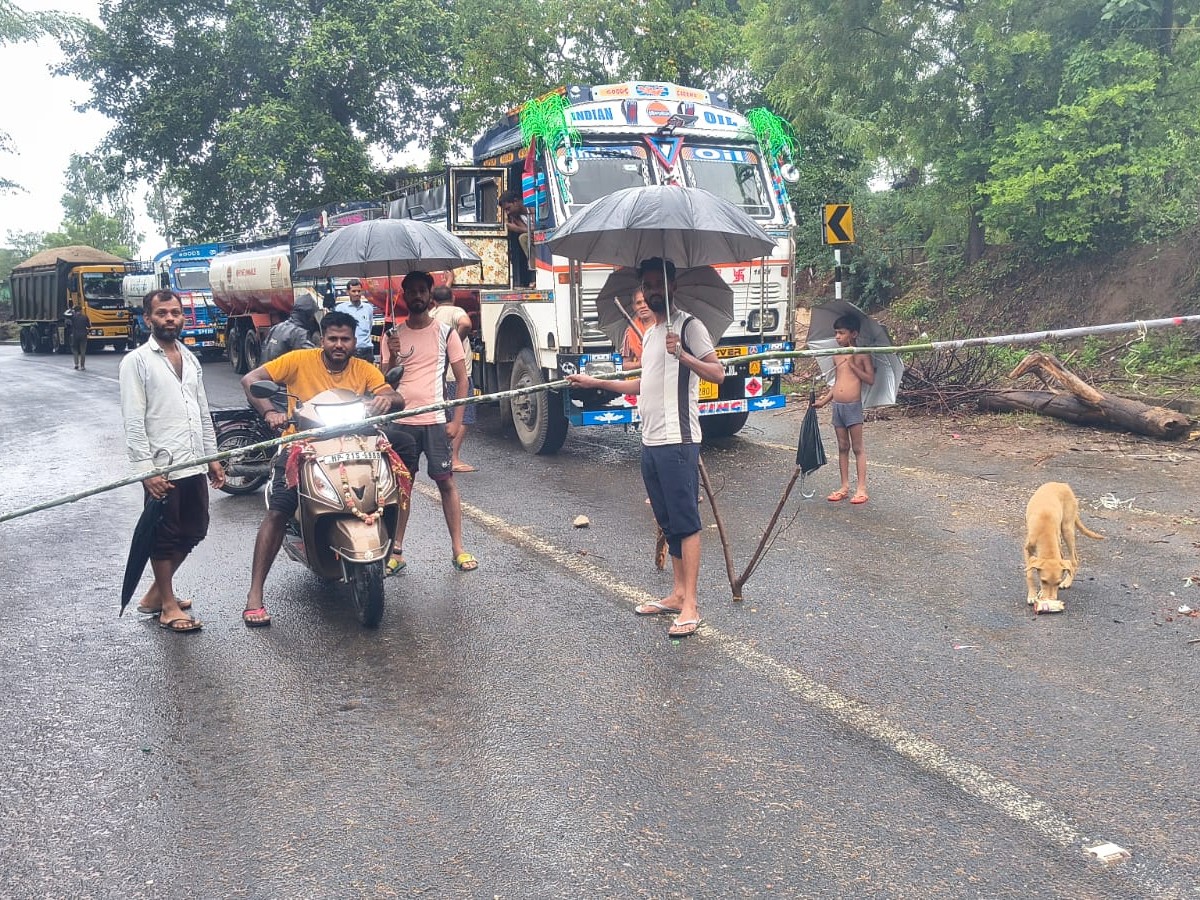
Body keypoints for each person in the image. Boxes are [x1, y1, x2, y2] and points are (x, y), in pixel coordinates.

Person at [567, 258, 725, 638]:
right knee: (668, 521)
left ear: (673, 287)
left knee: (686, 522)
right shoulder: (651, 332)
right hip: (651, 440)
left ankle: (692, 605)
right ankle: (676, 593)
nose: (653, 291)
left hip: (678, 439)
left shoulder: (689, 327)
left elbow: (717, 374)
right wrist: (596, 383)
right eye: (648, 285)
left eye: (660, 284)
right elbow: (644, 385)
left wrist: (683, 354)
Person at [239, 311, 407, 626]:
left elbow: (390, 393)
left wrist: (388, 400)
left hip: (355, 443)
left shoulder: (364, 369)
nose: (339, 345)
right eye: (333, 338)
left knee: (394, 471)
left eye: (345, 339)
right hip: (302, 445)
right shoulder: (298, 360)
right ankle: (255, 595)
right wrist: (270, 412)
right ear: (322, 340)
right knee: (279, 509)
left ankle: (393, 546)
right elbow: (251, 380)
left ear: (354, 341)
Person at [119, 289, 226, 632]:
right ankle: (167, 606)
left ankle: (153, 595)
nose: (170, 319)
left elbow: (202, 410)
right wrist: (145, 471)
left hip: (194, 460)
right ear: (147, 319)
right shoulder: (136, 361)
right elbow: (133, 421)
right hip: (163, 466)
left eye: (175, 313)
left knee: (195, 528)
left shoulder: (190, 357)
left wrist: (213, 456)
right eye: (162, 313)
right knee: (163, 535)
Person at [384, 271, 477, 575]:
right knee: (402, 487)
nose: (417, 296)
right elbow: (383, 383)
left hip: (436, 421)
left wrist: (456, 421)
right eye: (411, 291)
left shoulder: (446, 333)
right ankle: (396, 550)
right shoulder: (392, 335)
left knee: (446, 483)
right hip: (402, 424)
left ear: (430, 295)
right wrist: (393, 356)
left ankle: (458, 549)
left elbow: (462, 381)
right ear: (404, 296)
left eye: (422, 291)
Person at [814, 312, 875, 505]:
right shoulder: (836, 355)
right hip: (837, 405)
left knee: (857, 447)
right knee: (842, 446)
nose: (837, 337)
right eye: (836, 333)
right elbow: (837, 382)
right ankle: (844, 486)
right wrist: (824, 401)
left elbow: (870, 379)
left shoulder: (861, 354)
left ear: (853, 334)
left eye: (841, 333)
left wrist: (853, 366)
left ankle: (862, 488)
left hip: (853, 406)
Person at [430, 284, 476, 473]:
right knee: (463, 417)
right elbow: (466, 323)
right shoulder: (457, 310)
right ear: (454, 298)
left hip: (440, 374)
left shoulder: (432, 314)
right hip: (458, 375)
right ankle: (454, 458)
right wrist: (455, 341)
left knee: (443, 417)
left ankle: (443, 456)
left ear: (433, 300)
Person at [261, 294, 319, 363]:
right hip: (282, 373)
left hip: (267, 370)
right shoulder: (299, 334)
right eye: (312, 316)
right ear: (307, 316)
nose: (313, 319)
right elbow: (315, 358)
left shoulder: (276, 327)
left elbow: (264, 349)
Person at [335, 278, 376, 361]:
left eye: (359, 291)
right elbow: (338, 329)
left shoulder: (368, 308)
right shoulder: (340, 309)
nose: (357, 294)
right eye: (353, 291)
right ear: (348, 292)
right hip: (350, 350)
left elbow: (370, 327)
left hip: (367, 350)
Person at [500, 188, 533, 286]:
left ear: (515, 202)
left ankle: (535, 274)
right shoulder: (517, 216)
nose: (508, 212)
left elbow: (536, 231)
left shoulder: (531, 208)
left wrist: (517, 229)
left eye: (508, 208)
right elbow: (528, 231)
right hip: (535, 241)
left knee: (523, 238)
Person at [621, 289, 654, 371]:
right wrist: (640, 364)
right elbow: (624, 365)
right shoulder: (630, 332)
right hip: (640, 379)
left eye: (646, 301)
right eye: (639, 303)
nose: (643, 306)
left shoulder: (665, 326)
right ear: (634, 307)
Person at [65, 299, 91, 370]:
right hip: (83, 336)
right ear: (81, 310)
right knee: (83, 351)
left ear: (75, 311)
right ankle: (82, 366)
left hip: (75, 336)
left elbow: (65, 314)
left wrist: (70, 309)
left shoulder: (73, 317)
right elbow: (89, 326)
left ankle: (76, 364)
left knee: (75, 350)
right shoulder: (85, 317)